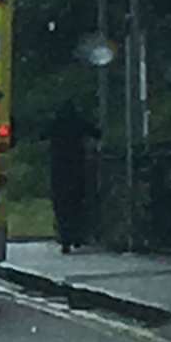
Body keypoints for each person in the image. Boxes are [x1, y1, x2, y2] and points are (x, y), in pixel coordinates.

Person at [47, 101, 101, 254]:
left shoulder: (55, 123)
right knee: (77, 202)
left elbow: (41, 134)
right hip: (76, 167)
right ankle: (77, 235)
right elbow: (97, 132)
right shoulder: (78, 122)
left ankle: (65, 238)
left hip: (58, 169)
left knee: (61, 204)